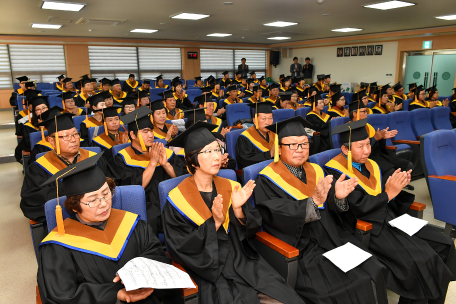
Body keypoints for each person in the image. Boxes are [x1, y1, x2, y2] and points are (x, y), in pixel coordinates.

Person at [162, 121, 305, 304]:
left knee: (283, 298)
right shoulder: (176, 200)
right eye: (209, 151)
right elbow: (179, 247)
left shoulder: (231, 186)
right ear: (192, 160)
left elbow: (251, 230)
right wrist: (213, 223)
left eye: (218, 149)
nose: (217, 157)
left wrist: (238, 210)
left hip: (243, 262)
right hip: (209, 272)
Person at [254, 116, 389, 304]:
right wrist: (312, 202)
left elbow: (330, 207)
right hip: (303, 247)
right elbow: (273, 216)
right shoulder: (267, 179)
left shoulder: (316, 170)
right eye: (293, 145)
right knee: (340, 288)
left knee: (374, 270)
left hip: (333, 237)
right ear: (279, 147)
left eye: (304, 144)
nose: (300, 150)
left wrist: (338, 199)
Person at [326, 119, 456, 304]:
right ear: (346, 150)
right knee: (420, 261)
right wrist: (387, 194)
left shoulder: (371, 165)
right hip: (369, 227)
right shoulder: (336, 172)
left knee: (444, 243)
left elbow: (384, 196)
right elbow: (356, 209)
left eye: (368, 144)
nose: (366, 151)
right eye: (360, 146)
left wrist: (395, 189)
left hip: (390, 217)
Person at [37, 154, 180, 304]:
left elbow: (157, 254)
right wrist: (115, 294)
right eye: (92, 200)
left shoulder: (132, 223)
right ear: (74, 207)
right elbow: (61, 294)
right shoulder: (57, 247)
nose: (104, 203)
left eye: (106, 193)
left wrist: (140, 271)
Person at [20, 112, 111, 226]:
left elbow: (111, 184)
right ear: (51, 141)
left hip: (102, 214)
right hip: (62, 222)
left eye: (75, 134)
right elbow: (32, 200)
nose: (73, 140)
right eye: (65, 136)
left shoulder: (95, 158)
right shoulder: (38, 168)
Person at [113, 107, 185, 233]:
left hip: (170, 202)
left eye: (151, 130)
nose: (151, 135)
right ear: (132, 135)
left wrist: (165, 164)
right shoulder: (122, 158)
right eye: (145, 131)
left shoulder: (163, 151)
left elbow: (181, 180)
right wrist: (152, 163)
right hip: (145, 207)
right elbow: (132, 190)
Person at [348, 99, 414, 189]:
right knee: (390, 169)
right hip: (365, 158)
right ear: (355, 114)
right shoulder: (349, 128)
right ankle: (386, 192)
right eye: (364, 112)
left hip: (377, 155)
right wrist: (375, 138)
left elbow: (376, 145)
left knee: (407, 165)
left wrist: (382, 138)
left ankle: (398, 186)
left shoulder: (368, 126)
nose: (366, 113)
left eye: (366, 111)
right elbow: (358, 147)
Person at [235, 102, 275, 170]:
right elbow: (244, 161)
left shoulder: (274, 135)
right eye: (263, 119)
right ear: (255, 120)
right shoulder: (245, 137)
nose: (268, 122)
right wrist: (269, 154)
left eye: (270, 118)